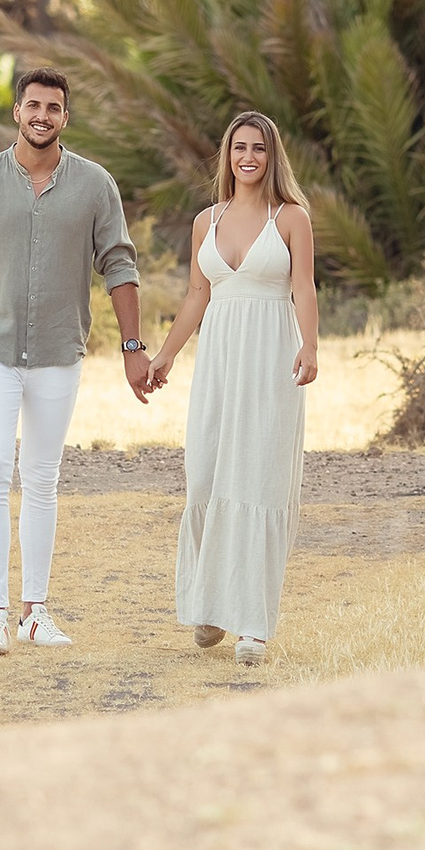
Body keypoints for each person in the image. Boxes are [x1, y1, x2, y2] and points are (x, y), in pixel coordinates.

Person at [0, 66, 151, 654]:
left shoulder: (96, 185)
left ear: (64, 118)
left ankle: (35, 613)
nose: (42, 117)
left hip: (59, 349)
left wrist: (133, 349)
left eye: (53, 108)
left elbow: (120, 265)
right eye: (33, 106)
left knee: (44, 480)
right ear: (16, 112)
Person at [146, 109, 319, 667]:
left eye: (259, 149)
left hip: (271, 359)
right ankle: (210, 605)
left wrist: (310, 346)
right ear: (227, 155)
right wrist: (165, 356)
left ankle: (254, 624)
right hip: (218, 362)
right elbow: (197, 294)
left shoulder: (292, 218)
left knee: (259, 480)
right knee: (208, 475)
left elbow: (304, 288)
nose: (248, 157)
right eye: (239, 147)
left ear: (273, 158)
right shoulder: (207, 220)